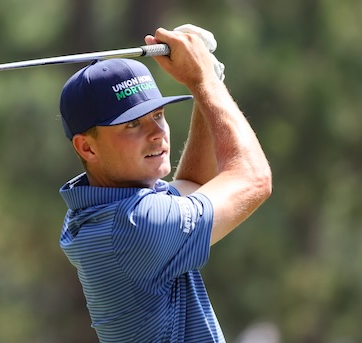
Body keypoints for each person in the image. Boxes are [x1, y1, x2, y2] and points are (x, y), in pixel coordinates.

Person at [58, 25, 272, 343]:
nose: (157, 133)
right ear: (87, 148)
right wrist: (204, 81)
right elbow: (253, 180)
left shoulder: (102, 208)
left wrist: (205, 85)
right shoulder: (135, 224)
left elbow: (193, 184)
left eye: (157, 115)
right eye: (132, 124)